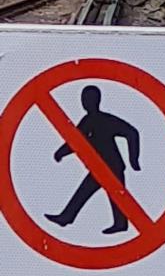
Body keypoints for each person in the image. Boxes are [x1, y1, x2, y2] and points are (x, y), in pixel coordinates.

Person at [45, 85, 141, 235]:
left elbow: (132, 132)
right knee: (108, 194)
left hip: (111, 166)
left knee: (111, 195)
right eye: (83, 99)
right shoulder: (88, 120)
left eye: (87, 99)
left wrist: (134, 160)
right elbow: (76, 140)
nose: (84, 102)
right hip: (99, 166)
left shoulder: (102, 119)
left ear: (96, 100)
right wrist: (61, 152)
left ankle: (68, 217)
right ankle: (68, 217)